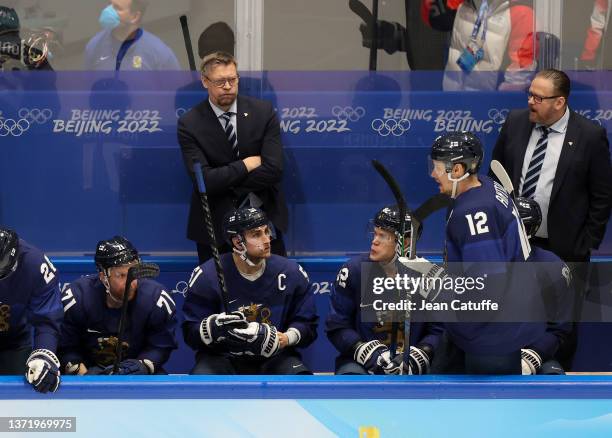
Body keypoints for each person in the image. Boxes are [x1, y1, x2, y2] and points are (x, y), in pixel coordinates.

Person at [402, 131, 545, 374]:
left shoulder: (474, 212)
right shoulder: (488, 186)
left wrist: (430, 279)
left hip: (490, 336)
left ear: (457, 170)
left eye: (437, 167)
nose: (433, 174)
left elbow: (487, 289)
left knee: (487, 409)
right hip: (484, 328)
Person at [178, 51, 288, 264]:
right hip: (217, 229)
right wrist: (246, 165)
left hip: (265, 222)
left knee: (272, 291)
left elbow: (274, 170)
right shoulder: (189, 123)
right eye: (220, 81)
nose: (228, 86)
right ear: (205, 81)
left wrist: (226, 178)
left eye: (232, 79)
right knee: (220, 294)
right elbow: (205, 181)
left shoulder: (263, 112)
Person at [492, 69, 612, 263]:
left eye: (538, 98)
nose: (530, 101)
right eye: (530, 94)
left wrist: (587, 242)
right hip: (513, 242)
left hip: (564, 249)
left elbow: (602, 196)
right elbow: (496, 175)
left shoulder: (590, 136)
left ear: (559, 102)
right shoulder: (515, 122)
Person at [182, 207, 317, 374]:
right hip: (222, 358)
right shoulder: (206, 276)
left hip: (276, 358)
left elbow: (308, 325)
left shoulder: (291, 272)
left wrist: (285, 339)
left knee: (300, 381)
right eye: (256, 234)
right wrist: (209, 329)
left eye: (267, 231)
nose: (267, 239)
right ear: (238, 242)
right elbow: (190, 332)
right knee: (202, 383)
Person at [326, 205, 444, 375]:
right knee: (351, 380)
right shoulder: (354, 271)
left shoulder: (431, 277)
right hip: (362, 365)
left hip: (413, 369)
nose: (374, 241)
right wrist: (364, 350)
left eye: (383, 236)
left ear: (405, 242)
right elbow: (336, 325)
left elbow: (440, 331)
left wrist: (423, 352)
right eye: (374, 233)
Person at [58, 236, 177, 375]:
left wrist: (143, 365)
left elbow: (160, 346)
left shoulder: (156, 299)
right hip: (88, 372)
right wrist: (84, 375)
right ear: (103, 277)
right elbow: (65, 347)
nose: (131, 282)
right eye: (121, 275)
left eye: (134, 271)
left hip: (137, 374)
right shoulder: (77, 298)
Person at [0, 228, 63, 392]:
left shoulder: (36, 264)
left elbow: (47, 320)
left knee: (21, 399)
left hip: (14, 342)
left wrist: (44, 354)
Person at [516, 197, 572, 374]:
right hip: (487, 353)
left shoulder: (553, 267)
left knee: (553, 377)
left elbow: (559, 329)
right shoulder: (483, 260)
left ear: (530, 229)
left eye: (520, 226)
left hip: (535, 354)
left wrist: (534, 354)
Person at [438, 0, 536, 91]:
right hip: (452, 96)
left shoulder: (521, 13)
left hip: (490, 103)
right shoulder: (463, 4)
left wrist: (503, 104)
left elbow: (520, 74)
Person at [84, 0, 179, 71]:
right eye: (109, 4)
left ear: (135, 17)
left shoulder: (160, 55)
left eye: (117, 8)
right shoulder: (94, 47)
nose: (108, 11)